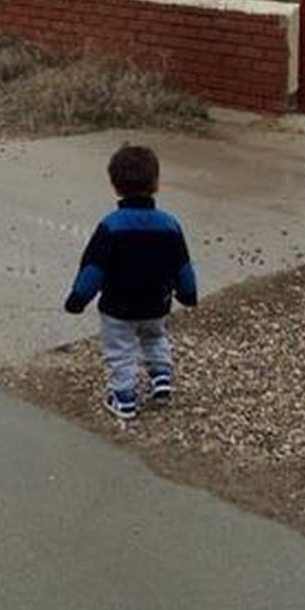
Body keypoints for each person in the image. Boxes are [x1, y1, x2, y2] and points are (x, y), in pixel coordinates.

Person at [64, 144, 198, 419]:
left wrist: (78, 299)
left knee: (120, 349)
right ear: (156, 184)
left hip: (118, 307)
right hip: (156, 303)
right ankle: (161, 377)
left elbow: (93, 269)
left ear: (115, 186)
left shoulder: (110, 226)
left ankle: (123, 397)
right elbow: (182, 265)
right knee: (154, 336)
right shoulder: (169, 225)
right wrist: (188, 294)